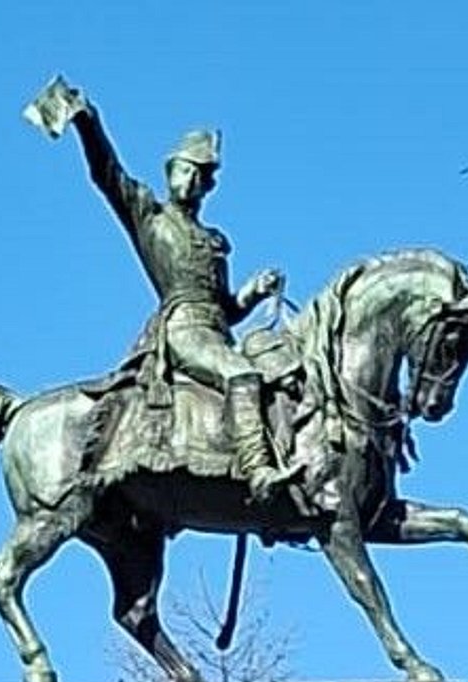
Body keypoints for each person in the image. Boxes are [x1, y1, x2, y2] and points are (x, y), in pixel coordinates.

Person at [38, 77, 291, 501]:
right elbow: (106, 172)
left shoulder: (214, 241)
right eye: (185, 170)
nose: (190, 180)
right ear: (170, 171)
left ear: (207, 186)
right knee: (241, 373)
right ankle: (258, 469)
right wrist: (87, 122)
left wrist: (253, 292)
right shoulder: (150, 215)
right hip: (183, 330)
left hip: (217, 332)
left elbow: (226, 309)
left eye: (199, 175)